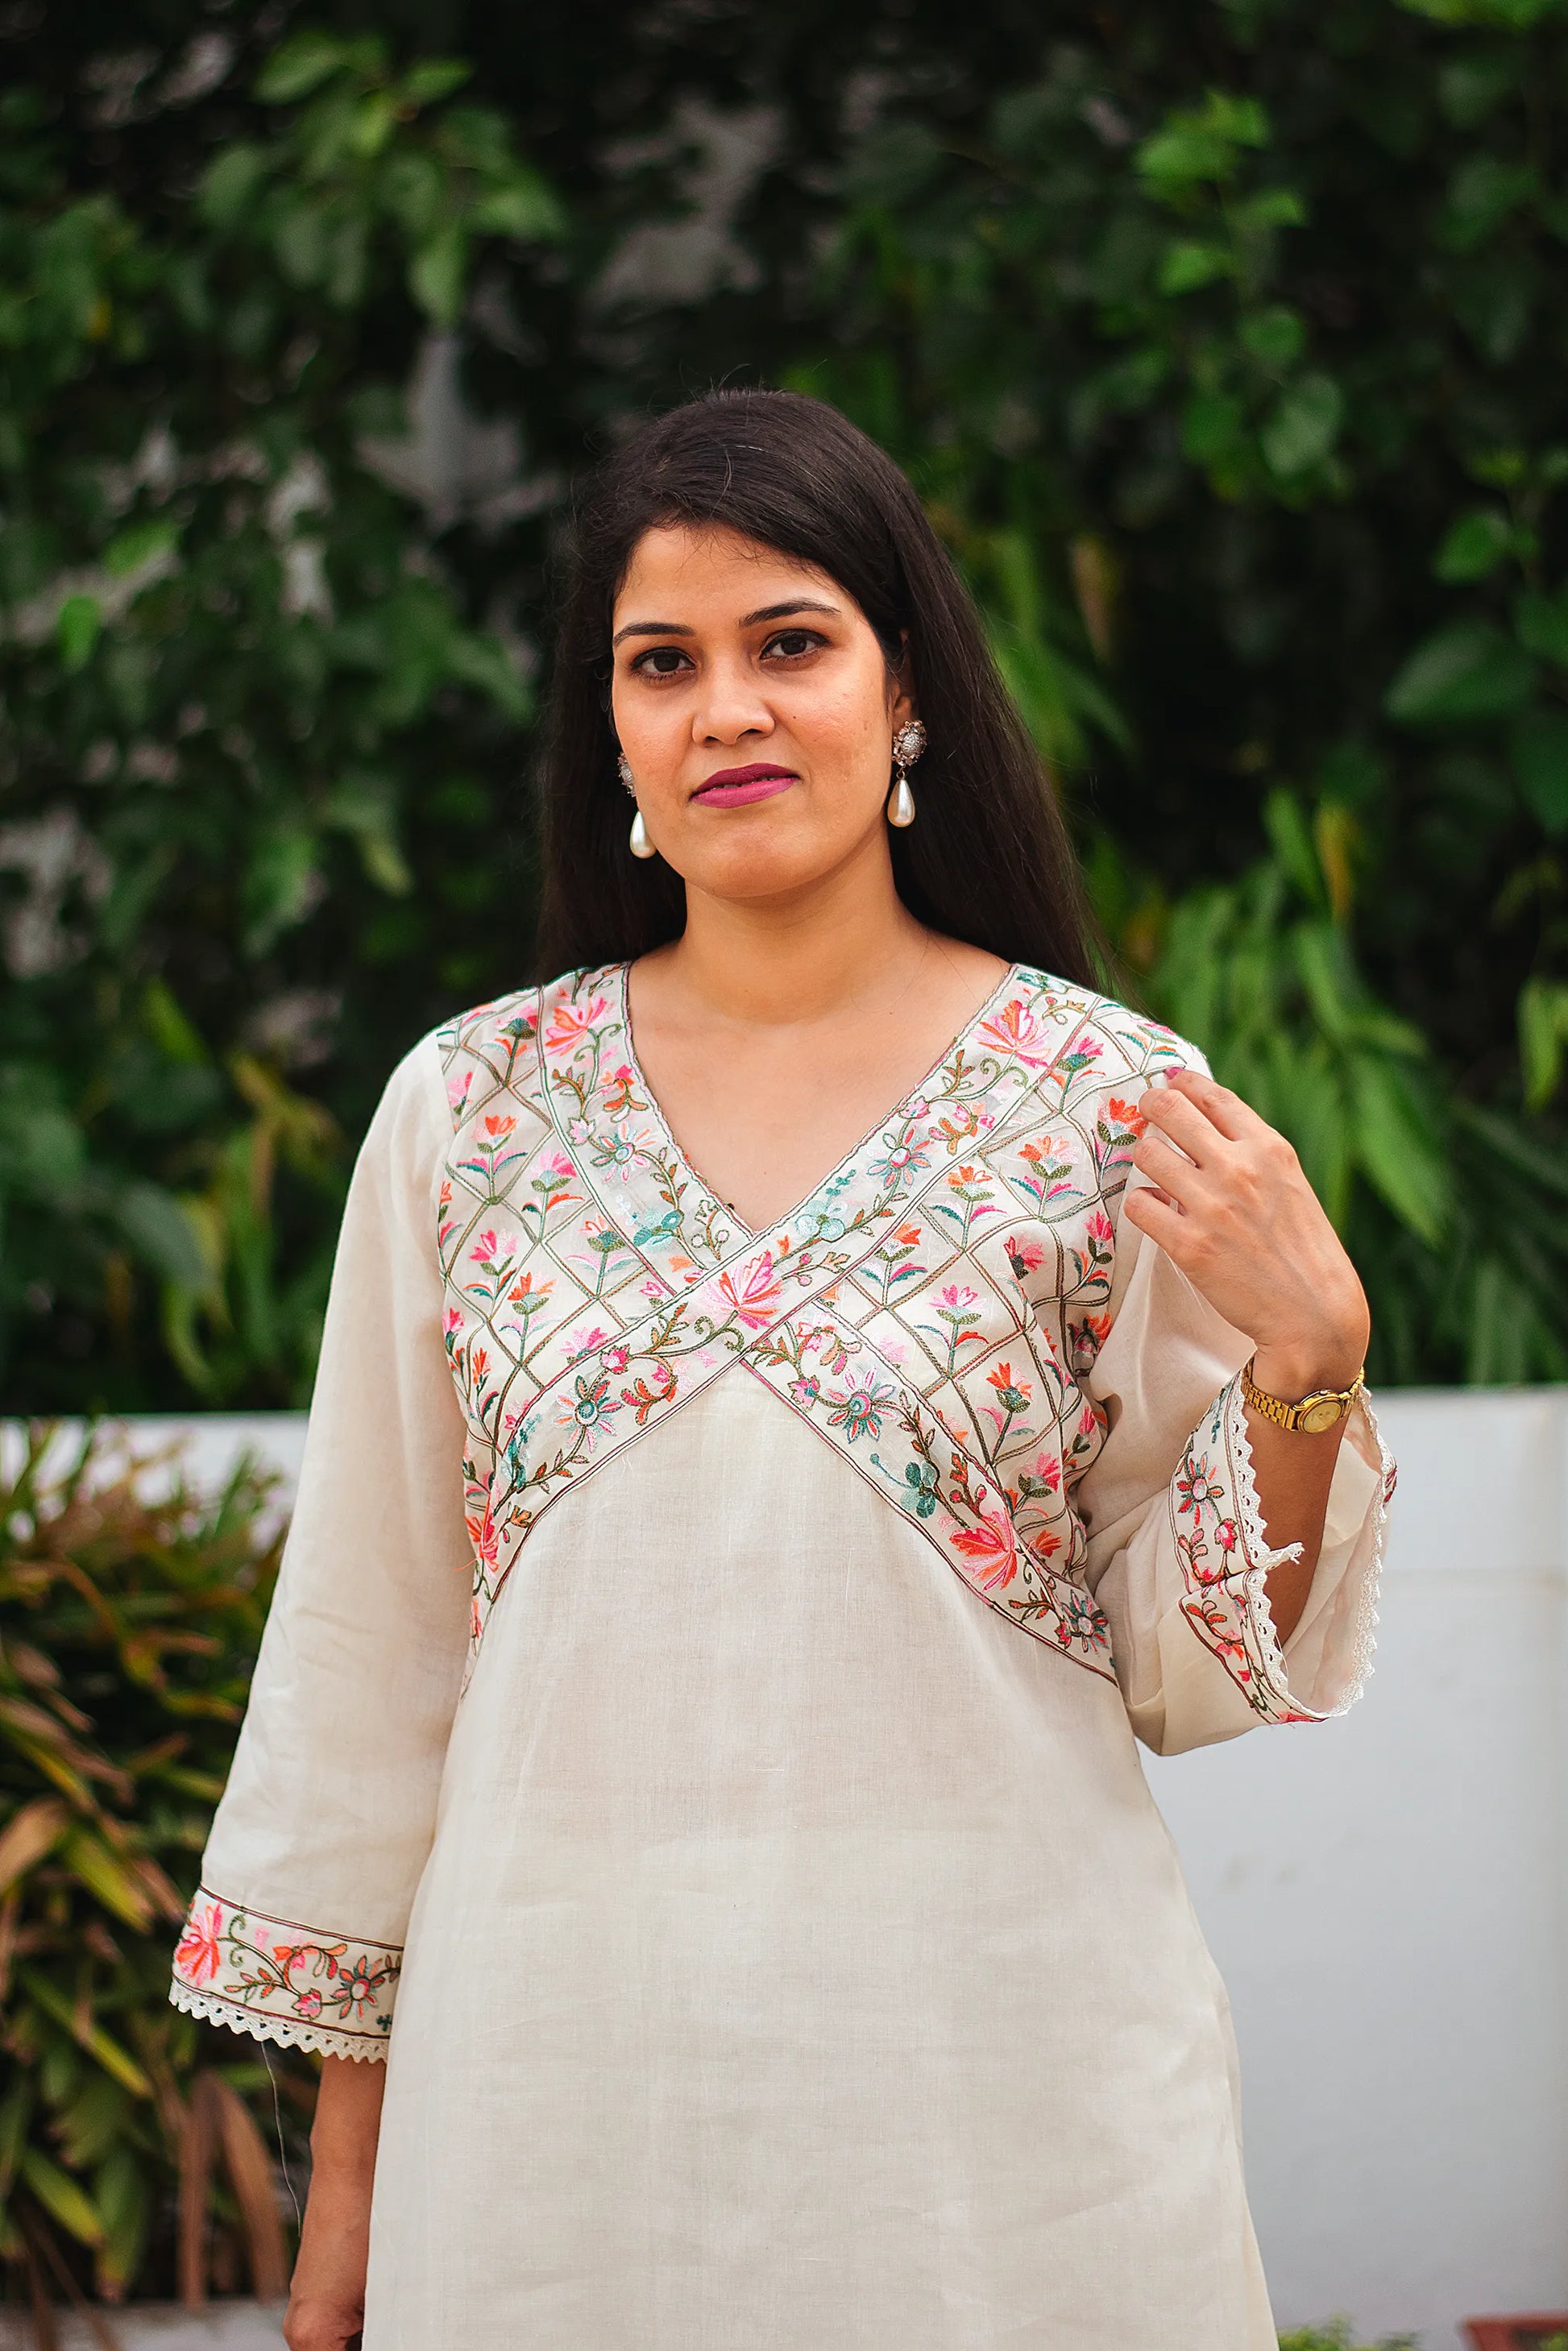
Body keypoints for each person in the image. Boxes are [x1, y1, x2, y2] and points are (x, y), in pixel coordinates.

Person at [170, 388, 1392, 2351]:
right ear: (615, 737)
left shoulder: (1106, 1104)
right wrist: (352, 2193)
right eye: (663, 664)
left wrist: (1309, 1360)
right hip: (551, 2137)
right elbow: (367, 1662)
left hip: (1007, 2137)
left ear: (904, 693)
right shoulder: (468, 1113)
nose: (725, 708)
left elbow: (1187, 1664)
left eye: (790, 644)